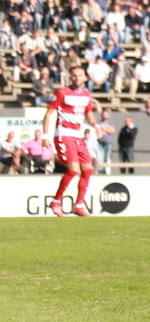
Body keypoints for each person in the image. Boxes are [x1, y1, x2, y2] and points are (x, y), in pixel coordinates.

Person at [42, 64, 100, 216]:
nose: (77, 78)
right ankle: (56, 201)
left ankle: (79, 204)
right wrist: (45, 136)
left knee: (88, 170)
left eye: (80, 75)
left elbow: (89, 114)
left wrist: (97, 126)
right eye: (74, 75)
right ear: (70, 77)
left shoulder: (87, 94)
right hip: (64, 134)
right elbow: (49, 114)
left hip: (78, 136)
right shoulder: (62, 92)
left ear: (85, 77)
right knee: (74, 170)